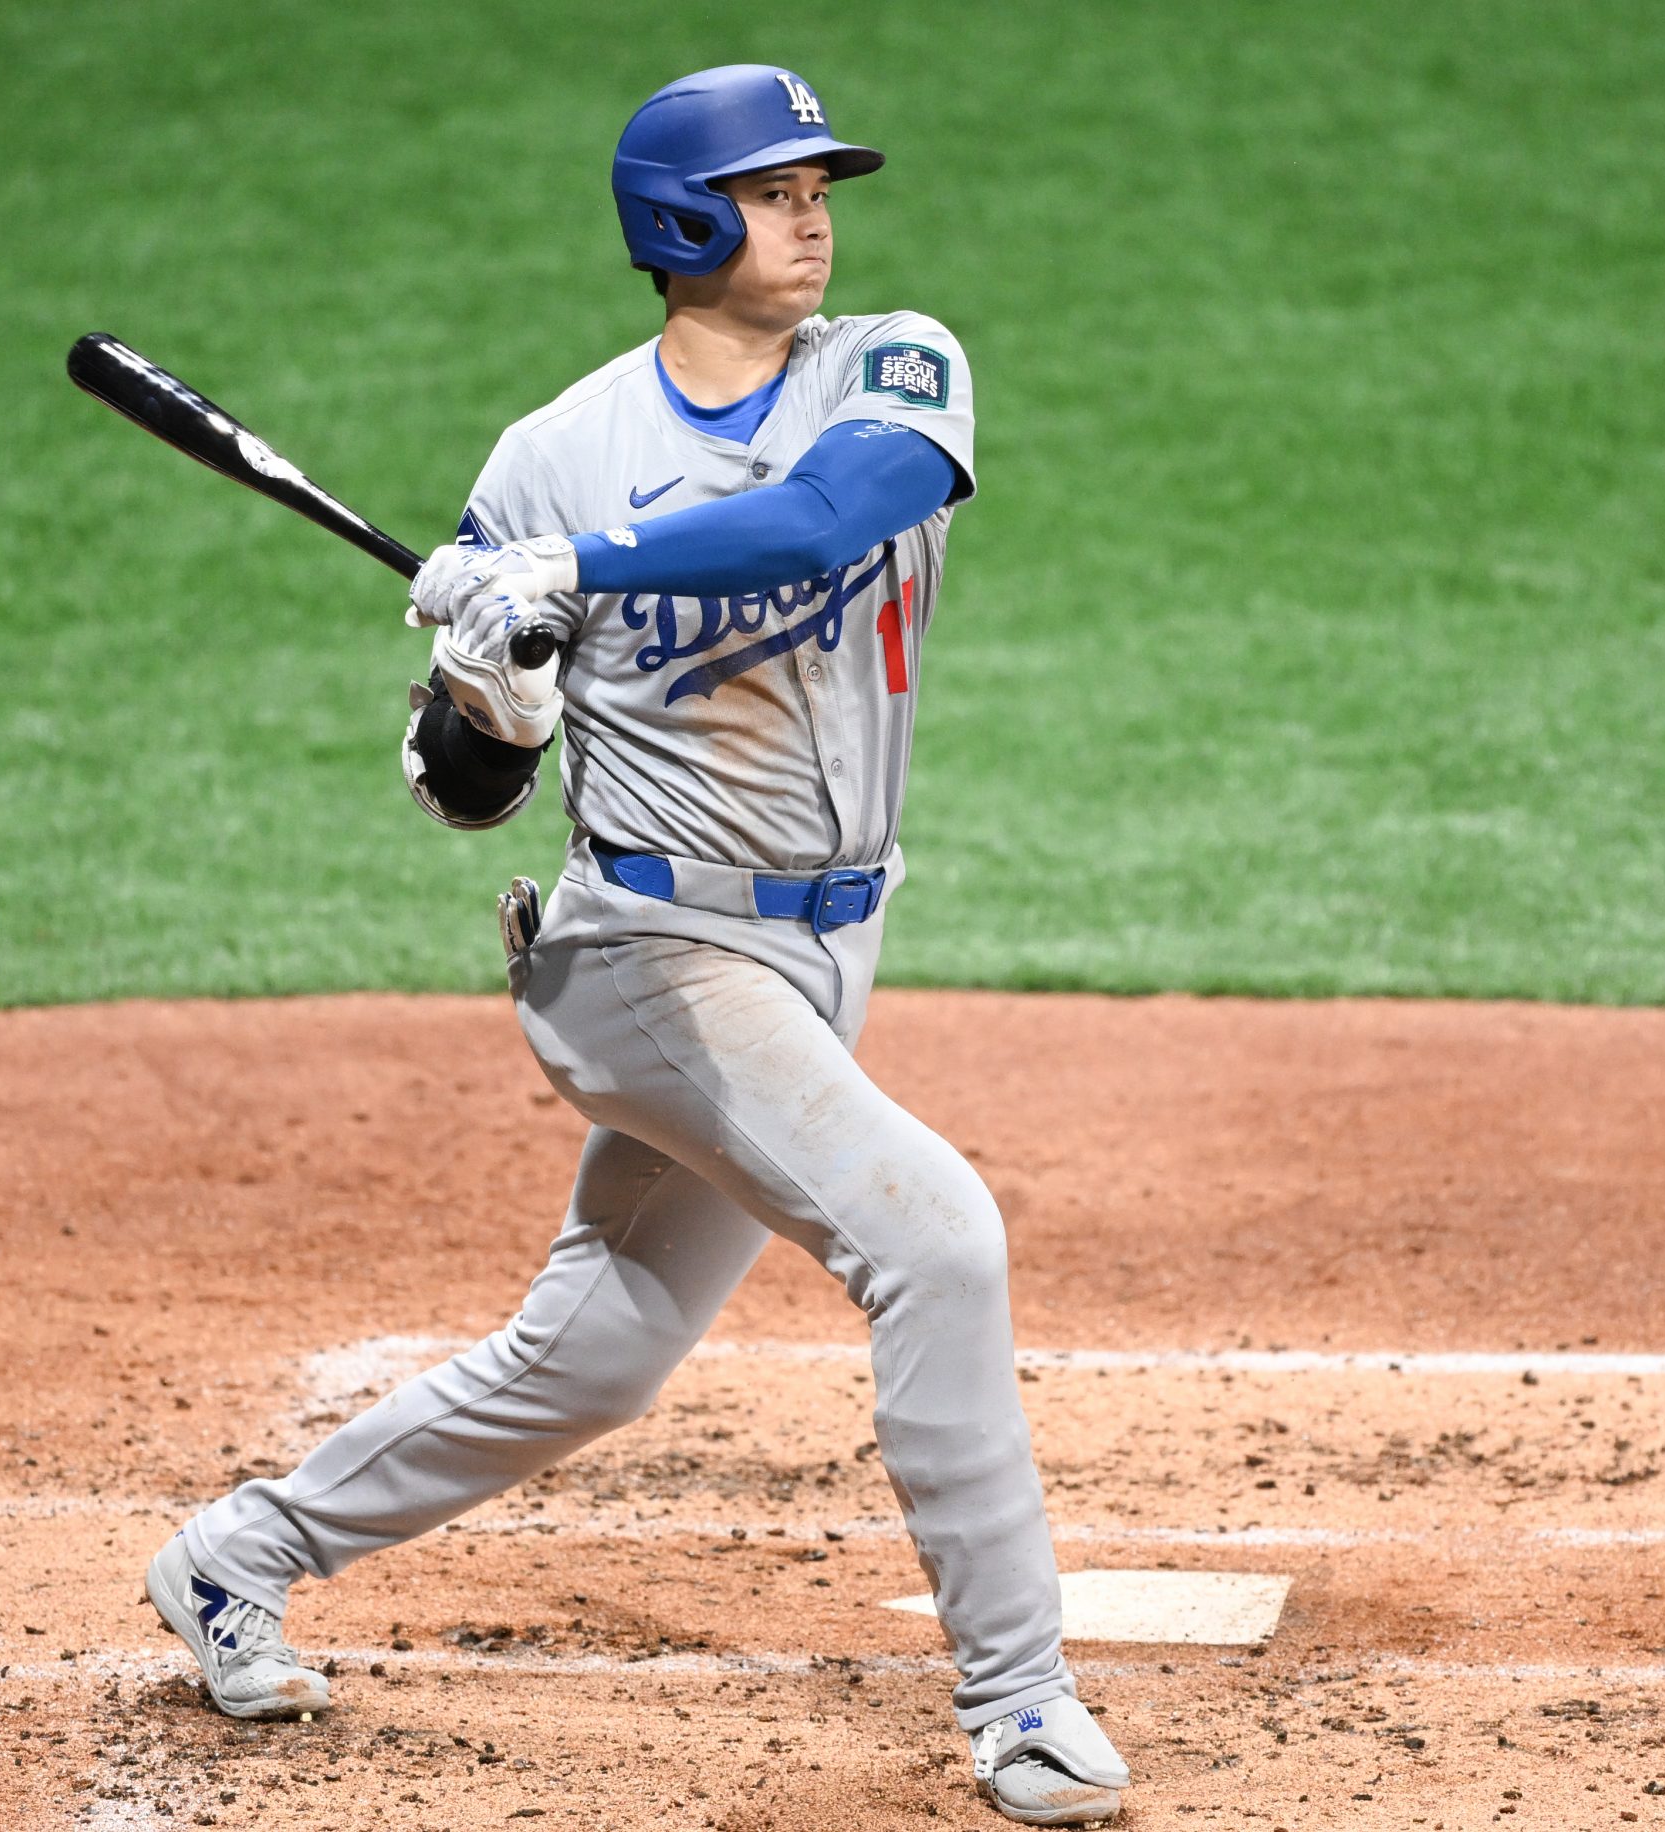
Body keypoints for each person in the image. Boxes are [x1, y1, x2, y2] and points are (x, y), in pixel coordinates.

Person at [143, 65, 1133, 1827]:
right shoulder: (551, 452)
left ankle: (238, 1554)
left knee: (596, 1351)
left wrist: (577, 573)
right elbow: (458, 794)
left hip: (831, 947)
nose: (817, 215)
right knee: (938, 1243)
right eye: (775, 191)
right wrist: (497, 692)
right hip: (649, 955)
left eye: (822, 185)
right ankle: (1022, 1704)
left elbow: (829, 519)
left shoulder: (894, 364)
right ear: (685, 223)